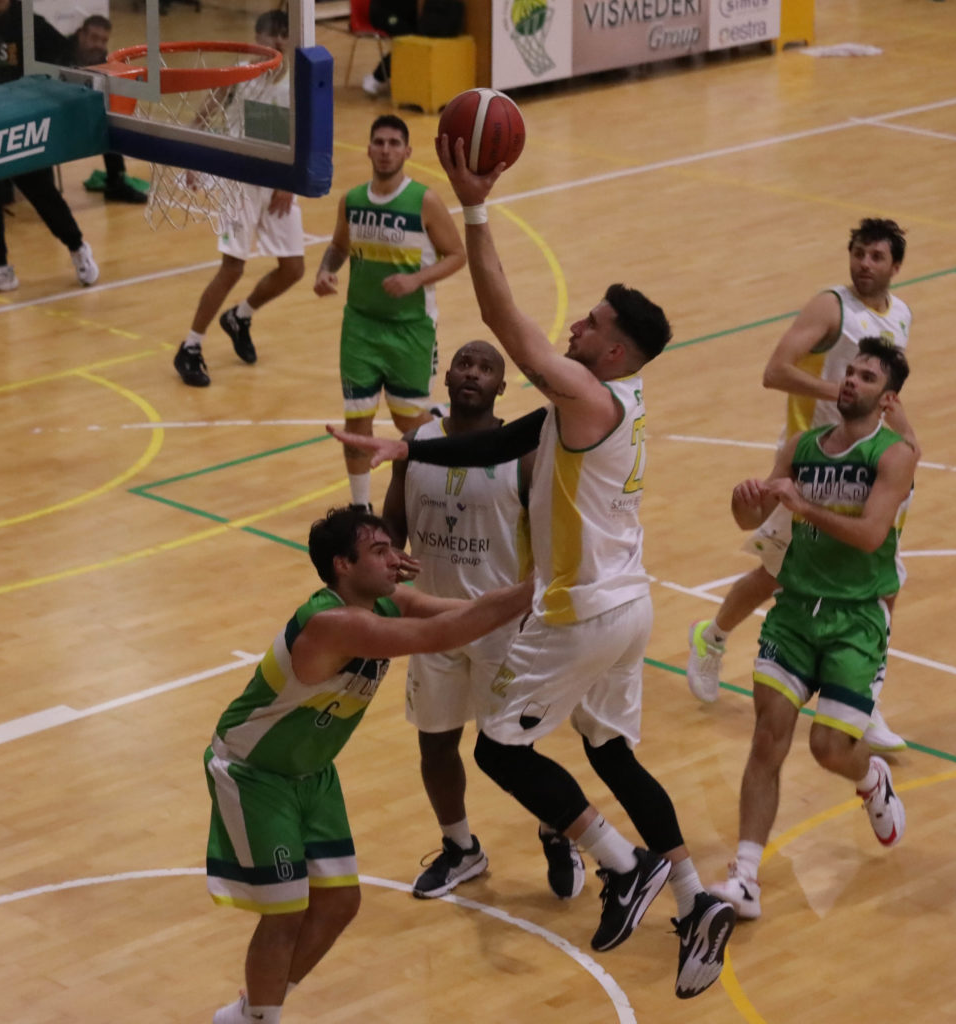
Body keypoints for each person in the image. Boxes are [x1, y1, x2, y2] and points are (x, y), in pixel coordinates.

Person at [326, 136, 737, 1000]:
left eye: (591, 324)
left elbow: (508, 326)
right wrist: (405, 444)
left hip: (580, 607)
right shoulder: (610, 400)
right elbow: (515, 435)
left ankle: (622, 866)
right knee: (613, 753)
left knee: (502, 750)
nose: (576, 327)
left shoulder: (587, 391)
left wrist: (475, 210)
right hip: (629, 603)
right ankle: (696, 897)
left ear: (616, 352)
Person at [205, 505, 533, 1024]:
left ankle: (252, 1010)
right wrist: (540, 586)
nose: (394, 558)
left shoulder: (381, 601)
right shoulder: (333, 623)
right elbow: (440, 635)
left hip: (311, 771)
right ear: (342, 565)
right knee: (286, 910)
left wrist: (517, 602)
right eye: (379, 551)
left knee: (338, 904)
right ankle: (260, 1017)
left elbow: (446, 609)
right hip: (255, 772)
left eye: (390, 549)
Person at [685, 218, 914, 752]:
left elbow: (891, 393)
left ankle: (864, 699)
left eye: (876, 256)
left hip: (869, 461)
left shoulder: (900, 315)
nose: (864, 264)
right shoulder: (830, 308)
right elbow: (775, 370)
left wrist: (908, 441)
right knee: (777, 571)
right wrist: (841, 389)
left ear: (895, 266)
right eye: (858, 253)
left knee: (881, 579)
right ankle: (712, 636)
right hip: (814, 459)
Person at [707, 339, 916, 922]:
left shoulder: (894, 455)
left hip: (857, 620)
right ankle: (745, 874)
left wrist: (803, 507)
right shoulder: (800, 447)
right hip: (796, 610)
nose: (850, 380)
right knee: (768, 737)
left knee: (829, 749)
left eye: (866, 376)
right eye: (849, 371)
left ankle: (870, 777)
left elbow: (872, 535)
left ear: (887, 397)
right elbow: (759, 515)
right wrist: (744, 501)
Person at [380, 339, 543, 898]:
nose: (473, 372)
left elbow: (548, 541)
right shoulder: (416, 443)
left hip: (502, 625)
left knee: (517, 748)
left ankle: (557, 825)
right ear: (446, 375)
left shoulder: (521, 454)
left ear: (502, 386)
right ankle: (460, 848)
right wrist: (385, 559)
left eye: (487, 367)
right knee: (436, 743)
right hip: (432, 622)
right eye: (464, 363)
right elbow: (393, 519)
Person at [314, 115, 466, 511]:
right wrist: (325, 271)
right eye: (379, 142)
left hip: (410, 329)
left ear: (407, 151)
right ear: (367, 149)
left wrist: (416, 281)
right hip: (360, 327)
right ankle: (361, 507)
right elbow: (338, 246)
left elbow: (457, 254)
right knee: (357, 423)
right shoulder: (352, 200)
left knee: (407, 425)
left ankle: (445, 482)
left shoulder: (424, 201)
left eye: (394, 143)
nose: (385, 150)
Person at [174, 10, 302, 388]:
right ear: (256, 37)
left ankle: (240, 317)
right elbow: (205, 114)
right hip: (240, 181)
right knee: (233, 267)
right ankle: (191, 346)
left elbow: (303, 136)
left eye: (284, 35)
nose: (278, 41)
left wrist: (290, 181)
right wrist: (192, 158)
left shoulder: (298, 81)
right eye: (271, 34)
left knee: (293, 269)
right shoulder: (238, 72)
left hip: (277, 180)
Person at [0, 0, 98, 296]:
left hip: (22, 126)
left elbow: (62, 54)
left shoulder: (30, 24)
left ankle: (78, 246)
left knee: (42, 193)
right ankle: (0, 268)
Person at [68, 13, 147, 206]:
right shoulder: (59, 49)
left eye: (104, 40)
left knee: (111, 120)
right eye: (94, 38)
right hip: (54, 107)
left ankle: (116, 182)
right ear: (81, 35)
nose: (99, 45)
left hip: (80, 111)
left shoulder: (103, 60)